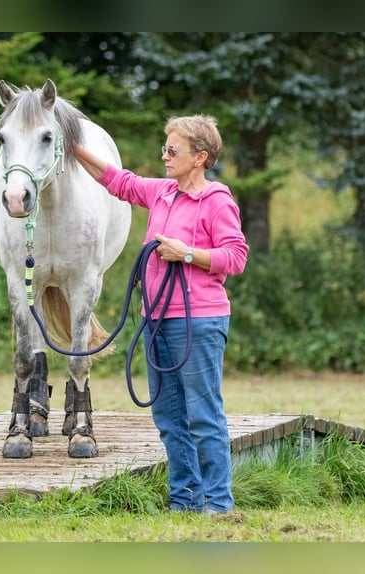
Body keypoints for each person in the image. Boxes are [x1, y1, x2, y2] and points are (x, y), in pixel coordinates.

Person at [73, 115, 249, 515]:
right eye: (164, 149)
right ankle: (183, 499)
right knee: (169, 417)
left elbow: (235, 257)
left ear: (200, 157)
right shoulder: (163, 193)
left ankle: (219, 503)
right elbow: (120, 181)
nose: (165, 156)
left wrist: (185, 253)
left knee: (203, 417)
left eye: (173, 150)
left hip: (199, 322)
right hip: (156, 320)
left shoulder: (217, 200)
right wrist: (73, 148)